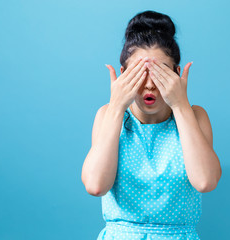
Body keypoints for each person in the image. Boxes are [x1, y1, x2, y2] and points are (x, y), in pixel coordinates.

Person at [81, 10, 222, 240]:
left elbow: (205, 181)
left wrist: (180, 105)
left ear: (177, 74)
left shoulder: (195, 117)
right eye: (139, 73)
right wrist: (117, 106)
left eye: (160, 73)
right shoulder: (107, 115)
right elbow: (96, 185)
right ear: (123, 76)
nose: (149, 85)